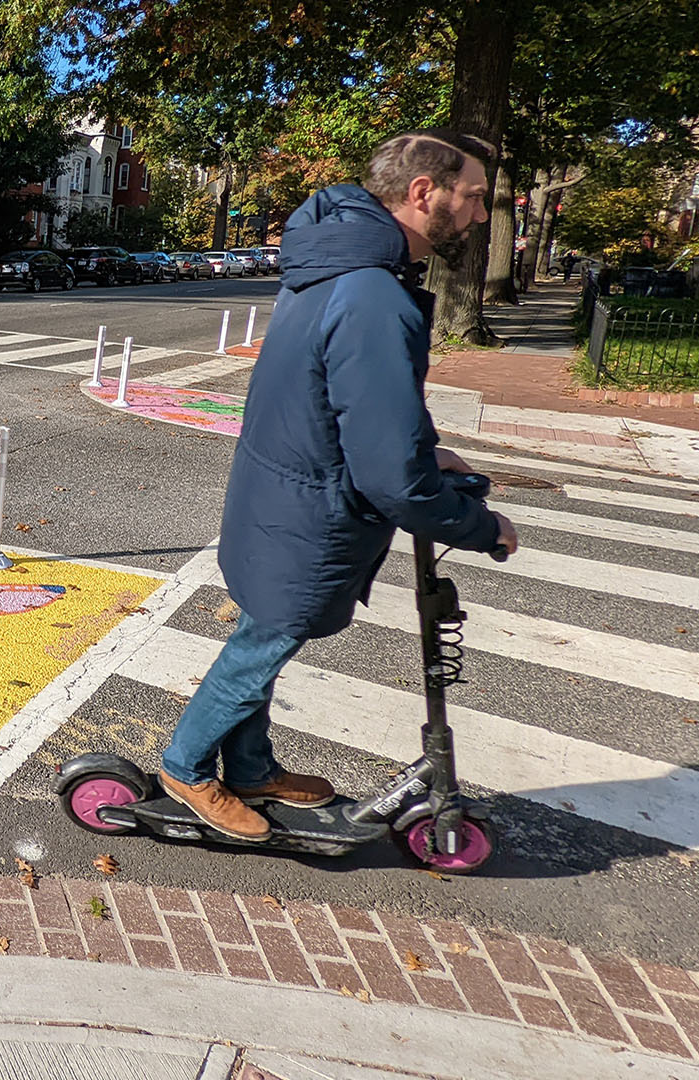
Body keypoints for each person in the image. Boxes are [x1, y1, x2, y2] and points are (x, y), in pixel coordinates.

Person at [157, 129, 520, 842]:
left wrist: (426, 449)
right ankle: (185, 767)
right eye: (474, 197)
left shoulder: (334, 273)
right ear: (424, 193)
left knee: (263, 640)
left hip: (283, 497)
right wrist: (480, 528)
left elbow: (344, 401)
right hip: (310, 517)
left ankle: (252, 767)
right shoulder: (371, 295)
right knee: (259, 649)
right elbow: (389, 477)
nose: (481, 215)